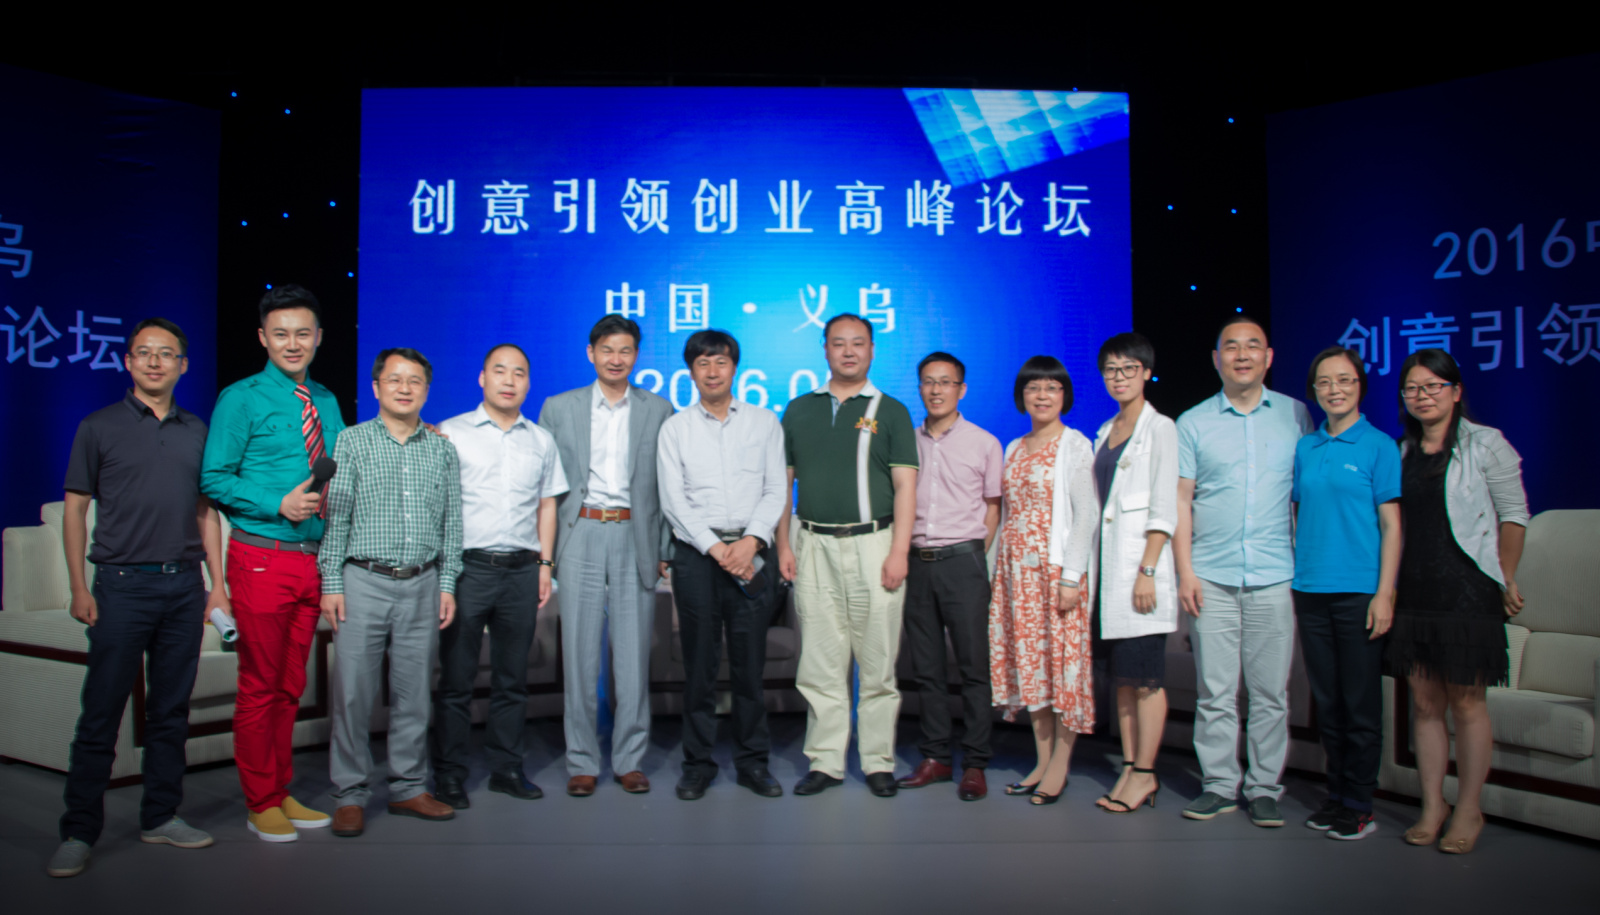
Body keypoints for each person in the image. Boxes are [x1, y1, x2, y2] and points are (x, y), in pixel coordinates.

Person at [47, 319, 226, 878]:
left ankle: (161, 816)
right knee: (102, 712)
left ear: (183, 365)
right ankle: (78, 831)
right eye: (144, 352)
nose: (154, 361)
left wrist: (217, 584)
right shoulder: (97, 426)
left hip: (184, 587)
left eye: (166, 354)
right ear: (127, 361)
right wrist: (79, 586)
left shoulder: (198, 430)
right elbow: (76, 508)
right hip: (121, 587)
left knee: (170, 712)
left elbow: (205, 511)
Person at [200, 284, 345, 842]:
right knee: (260, 686)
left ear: (318, 338)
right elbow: (213, 478)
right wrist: (275, 503)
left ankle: (280, 791)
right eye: (280, 334)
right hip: (262, 557)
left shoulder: (325, 400)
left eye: (302, 333)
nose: (292, 343)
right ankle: (259, 801)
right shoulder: (240, 398)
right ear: (263, 338)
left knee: (290, 687)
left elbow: (339, 468)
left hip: (313, 560)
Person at [1386, 348, 1527, 855]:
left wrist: (1504, 577)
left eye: (1433, 386)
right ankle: (1432, 805)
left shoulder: (1487, 444)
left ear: (1456, 391)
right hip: (1415, 590)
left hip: (1469, 592)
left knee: (1467, 703)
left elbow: (1514, 515)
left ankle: (1469, 807)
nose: (1423, 396)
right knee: (1424, 703)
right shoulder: (1401, 451)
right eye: (1413, 388)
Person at [1173, 315, 1313, 826]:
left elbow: (1304, 496)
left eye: (1253, 346)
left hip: (1275, 574)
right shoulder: (1193, 422)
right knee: (1215, 692)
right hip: (1211, 574)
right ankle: (1218, 785)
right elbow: (1181, 501)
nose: (1242, 355)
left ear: (1268, 357)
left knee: (1271, 693)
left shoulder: (1296, 415)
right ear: (1217, 359)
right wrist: (1185, 572)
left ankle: (1264, 787)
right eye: (1231, 347)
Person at [319, 347, 463, 837]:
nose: (405, 388)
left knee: (413, 695)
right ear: (376, 387)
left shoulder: (442, 449)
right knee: (353, 695)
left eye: (415, 380)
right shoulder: (352, 441)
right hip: (363, 581)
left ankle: (408, 787)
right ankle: (350, 794)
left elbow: (452, 525)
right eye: (395, 379)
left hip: (423, 582)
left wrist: (447, 583)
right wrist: (332, 583)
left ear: (426, 389)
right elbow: (337, 518)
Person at [776, 313, 918, 798]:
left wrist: (899, 551)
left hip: (875, 544)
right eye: (839, 343)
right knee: (820, 663)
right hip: (812, 543)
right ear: (825, 349)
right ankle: (826, 761)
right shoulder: (799, 410)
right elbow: (783, 485)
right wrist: (784, 543)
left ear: (872, 350)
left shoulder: (891, 410)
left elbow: (906, 487)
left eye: (858, 343)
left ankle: (877, 762)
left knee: (877, 665)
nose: (849, 351)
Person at [538, 315, 673, 797]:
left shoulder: (659, 409)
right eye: (607, 349)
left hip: (636, 534)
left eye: (626, 350)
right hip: (581, 532)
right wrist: (546, 553)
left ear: (636, 356)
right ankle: (581, 760)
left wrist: (663, 548)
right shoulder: (559, 407)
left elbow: (667, 484)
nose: (616, 359)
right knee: (578, 654)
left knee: (632, 656)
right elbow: (542, 481)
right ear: (591, 352)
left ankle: (629, 759)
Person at [431, 344, 568, 808]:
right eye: (500, 371)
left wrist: (545, 565)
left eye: (519, 373)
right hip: (468, 569)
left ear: (528, 382)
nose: (509, 381)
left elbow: (547, 505)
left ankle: (507, 768)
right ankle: (450, 774)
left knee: (513, 679)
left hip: (522, 571)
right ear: (482, 377)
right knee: (457, 679)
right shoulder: (451, 433)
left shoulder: (541, 440)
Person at [657, 330, 787, 800]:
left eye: (721, 362)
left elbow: (776, 489)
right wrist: (717, 549)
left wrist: (750, 541)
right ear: (690, 371)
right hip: (697, 558)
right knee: (700, 668)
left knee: (750, 669)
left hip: (752, 554)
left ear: (736, 368)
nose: (712, 371)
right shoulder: (675, 429)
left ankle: (753, 763)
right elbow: (673, 501)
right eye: (702, 363)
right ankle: (698, 765)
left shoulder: (764, 422)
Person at [1291, 346, 1401, 840]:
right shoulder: (1306, 447)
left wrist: (1385, 593)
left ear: (1360, 386)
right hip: (1310, 589)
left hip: (1359, 592)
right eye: (1324, 382)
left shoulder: (1379, 445)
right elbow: (1298, 513)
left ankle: (1360, 803)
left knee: (1359, 704)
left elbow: (1392, 526)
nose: (1334, 390)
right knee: (1328, 703)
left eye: (1345, 380)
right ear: (1314, 390)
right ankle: (1335, 795)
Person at [988, 356, 1097, 806]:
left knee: (1062, 670)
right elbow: (1006, 514)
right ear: (1022, 396)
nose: (1042, 395)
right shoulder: (1013, 447)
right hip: (1017, 578)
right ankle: (1041, 759)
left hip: (1056, 576)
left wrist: (1071, 577)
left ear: (1064, 395)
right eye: (1034, 387)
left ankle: (1059, 767)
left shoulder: (1076, 445)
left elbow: (1086, 516)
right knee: (1032, 669)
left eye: (1052, 387)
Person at [895, 351, 1003, 802]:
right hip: (917, 563)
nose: (936, 389)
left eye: (945, 381)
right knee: (927, 669)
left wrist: (973, 553)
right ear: (919, 387)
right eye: (928, 381)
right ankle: (936, 757)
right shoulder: (905, 442)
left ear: (962, 389)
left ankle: (975, 763)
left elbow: (993, 506)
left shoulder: (985, 442)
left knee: (974, 668)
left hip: (963, 563)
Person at [1089, 333, 1179, 814]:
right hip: (1108, 574)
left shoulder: (1160, 428)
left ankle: (1145, 773)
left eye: (1128, 369)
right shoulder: (1105, 429)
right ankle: (1129, 767)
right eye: (1111, 370)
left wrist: (1148, 570)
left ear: (1146, 372)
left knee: (1145, 679)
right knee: (1122, 679)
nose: (1119, 377)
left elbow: (1164, 505)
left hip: (1139, 572)